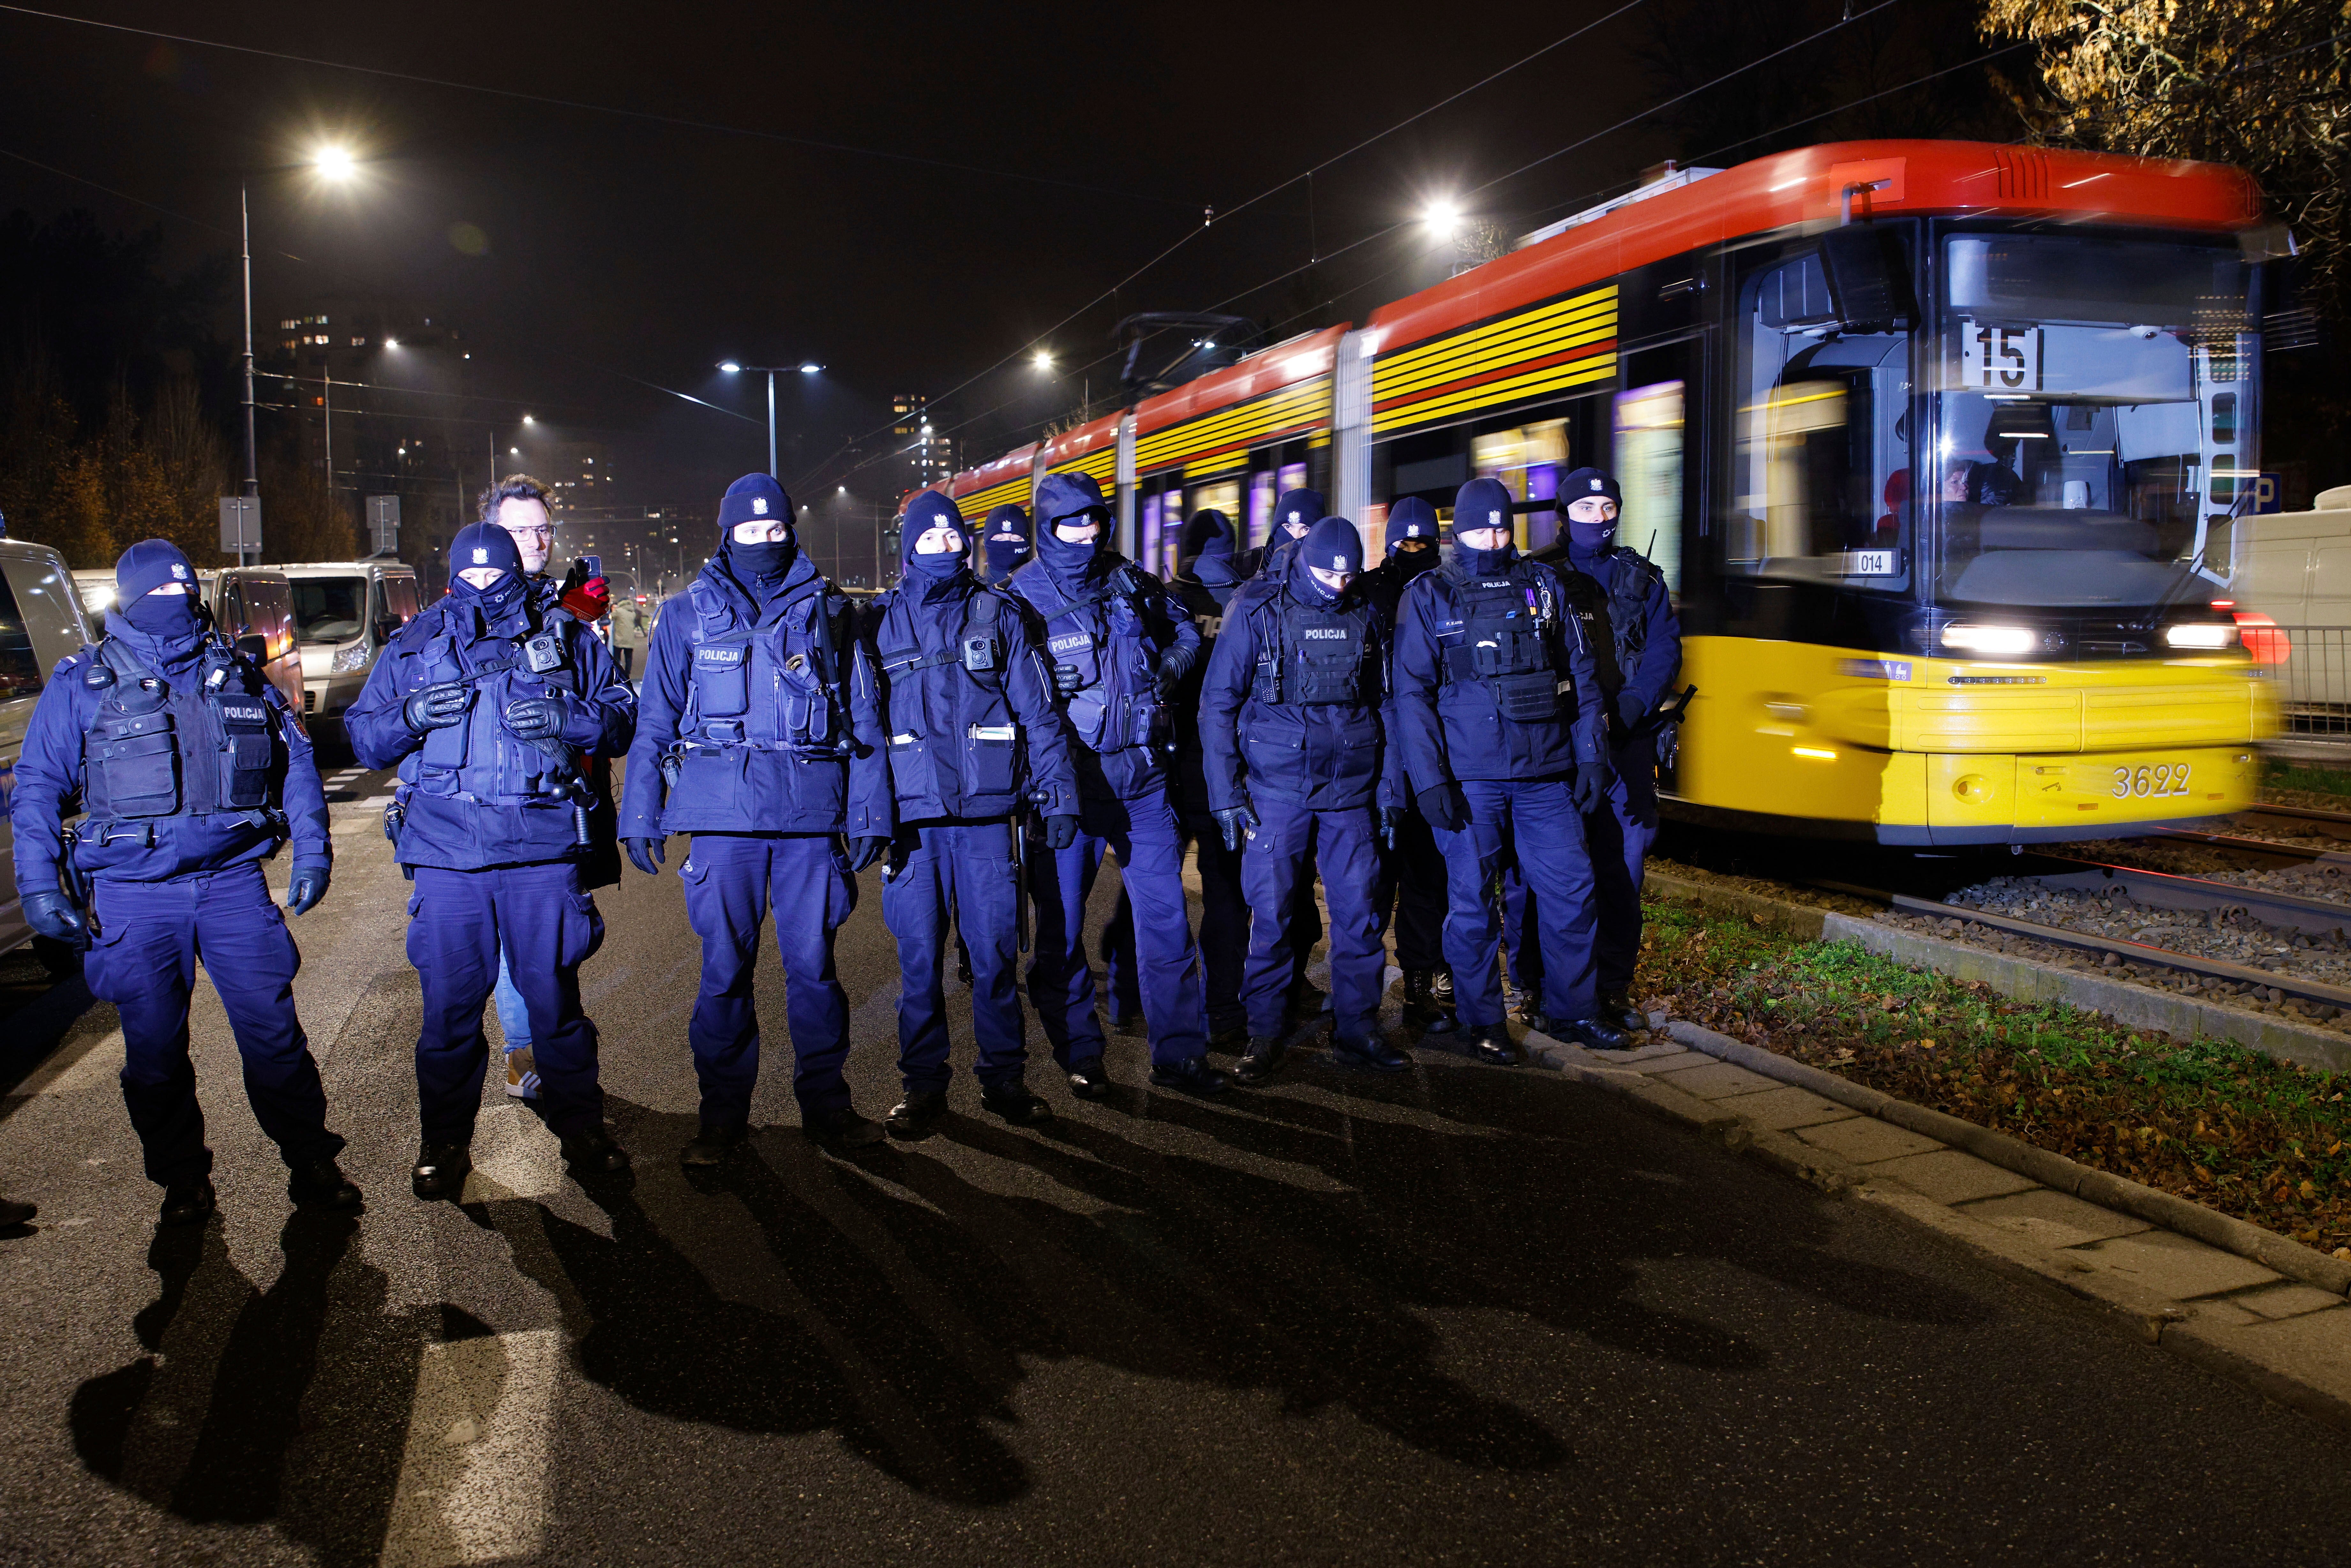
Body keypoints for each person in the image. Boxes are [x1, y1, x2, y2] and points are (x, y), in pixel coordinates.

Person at [12, 539, 356, 1226]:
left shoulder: (233, 671)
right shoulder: (84, 682)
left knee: (274, 1036)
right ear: (128, 601)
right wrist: (38, 885)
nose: (173, 605)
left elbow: (296, 765)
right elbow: (37, 785)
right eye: (156, 595)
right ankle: (182, 1182)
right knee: (155, 1053)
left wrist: (313, 851)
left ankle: (312, 1162)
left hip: (231, 885)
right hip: (134, 896)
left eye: (181, 592)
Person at [347, 523, 638, 1198]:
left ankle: (583, 1133)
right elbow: (364, 738)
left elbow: (623, 718)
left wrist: (568, 718)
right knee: (448, 1015)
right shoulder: (415, 645)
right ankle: (444, 1142)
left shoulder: (565, 635)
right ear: (450, 577)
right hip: (447, 858)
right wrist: (411, 713)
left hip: (540, 850)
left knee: (554, 1008)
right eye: (471, 576)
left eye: (495, 573)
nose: (485, 586)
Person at [618, 473, 893, 1161]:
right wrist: (639, 812)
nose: (764, 542)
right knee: (723, 975)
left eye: (776, 530)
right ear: (726, 533)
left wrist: (870, 811)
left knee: (816, 974)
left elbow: (863, 718)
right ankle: (721, 1119)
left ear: (791, 531)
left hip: (808, 817)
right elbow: (654, 721)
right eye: (750, 530)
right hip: (722, 821)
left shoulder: (830, 612)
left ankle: (827, 1109)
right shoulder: (684, 615)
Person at [864, 492, 1080, 1134]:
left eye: (953, 539)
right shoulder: (876, 624)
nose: (945, 550)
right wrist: (862, 817)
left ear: (968, 544)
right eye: (929, 542)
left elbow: (1040, 714)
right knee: (918, 962)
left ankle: (1003, 1081)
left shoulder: (999, 614)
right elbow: (860, 726)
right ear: (908, 551)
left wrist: (1059, 791)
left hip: (988, 818)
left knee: (992, 958)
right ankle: (923, 1085)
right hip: (912, 821)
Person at [1391, 477, 1626, 1063]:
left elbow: (1582, 678)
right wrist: (1429, 780)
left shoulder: (1544, 587)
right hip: (1470, 783)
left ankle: (1573, 1011)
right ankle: (1483, 1021)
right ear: (1457, 531)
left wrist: (1592, 756)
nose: (1492, 538)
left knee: (1571, 892)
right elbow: (1411, 696)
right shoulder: (1428, 594)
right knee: (1471, 905)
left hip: (1545, 776)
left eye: (1501, 527)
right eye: (1480, 528)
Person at [1007, 472, 1226, 1097]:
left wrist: (1175, 661)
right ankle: (1079, 1051)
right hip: (1068, 791)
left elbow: (1183, 630)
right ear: (1044, 528)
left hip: (1143, 785)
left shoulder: (1129, 581)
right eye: (1071, 524)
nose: (1086, 534)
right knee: (1059, 931)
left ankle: (1179, 1054)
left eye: (1094, 521)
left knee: (1164, 925)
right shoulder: (1019, 598)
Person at [1200, 516, 1411, 1084]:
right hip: (1275, 788)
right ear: (1303, 560)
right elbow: (1218, 702)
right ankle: (1265, 1033)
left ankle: (1358, 1029)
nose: (1339, 584)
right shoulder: (1257, 606)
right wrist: (1224, 794)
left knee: (1361, 915)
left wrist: (1392, 787)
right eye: (1328, 572)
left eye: (1348, 573)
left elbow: (1388, 702)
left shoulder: (1366, 607)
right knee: (1271, 918)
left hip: (1352, 789)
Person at [1503, 468, 1683, 1034]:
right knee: (1542, 874)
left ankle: (1610, 986)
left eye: (1608, 507)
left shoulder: (1641, 578)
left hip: (1625, 747)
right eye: (1587, 508)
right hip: (1557, 749)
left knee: (1620, 874)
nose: (1599, 518)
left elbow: (1663, 651)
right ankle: (1532, 982)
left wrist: (1629, 708)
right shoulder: (1535, 576)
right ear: (1565, 514)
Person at [1355, 497, 1456, 1035]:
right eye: (1404, 543)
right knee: (1372, 882)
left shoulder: (1448, 590)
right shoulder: (1365, 591)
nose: (1413, 552)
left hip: (1433, 755)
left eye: (1423, 544)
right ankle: (1360, 999)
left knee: (1426, 877)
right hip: (1375, 758)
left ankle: (1419, 981)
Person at [1241, 487, 1325, 579]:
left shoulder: (1328, 576)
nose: (1296, 537)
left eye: (1306, 529)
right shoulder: (1247, 565)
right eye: (1288, 527)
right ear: (1275, 530)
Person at [982, 503, 1032, 582]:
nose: (1007, 545)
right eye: (999, 539)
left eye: (1016, 538)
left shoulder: (1047, 590)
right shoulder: (970, 592)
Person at [610, 593, 650, 680]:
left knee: (617, 657)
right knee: (629, 658)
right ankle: (627, 674)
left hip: (619, 638)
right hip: (630, 639)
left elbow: (610, 617)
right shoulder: (632, 613)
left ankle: (618, 673)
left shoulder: (618, 611)